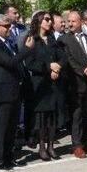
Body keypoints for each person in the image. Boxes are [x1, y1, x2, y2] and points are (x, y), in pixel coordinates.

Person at [0, 14, 35, 169]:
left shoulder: (8, 43)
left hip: (13, 90)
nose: (9, 28)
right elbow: (10, 62)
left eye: (9, 25)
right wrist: (26, 50)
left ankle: (8, 157)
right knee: (1, 127)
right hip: (2, 92)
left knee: (11, 127)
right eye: (5, 26)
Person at [21, 11, 63, 161]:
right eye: (46, 19)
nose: (49, 22)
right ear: (39, 21)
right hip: (39, 84)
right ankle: (42, 147)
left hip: (53, 83)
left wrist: (58, 67)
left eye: (50, 19)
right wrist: (48, 68)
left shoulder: (52, 39)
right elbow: (30, 63)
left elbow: (62, 56)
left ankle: (51, 146)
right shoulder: (32, 39)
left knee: (52, 118)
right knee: (42, 119)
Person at [58, 11, 87, 158]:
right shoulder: (64, 40)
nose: (69, 24)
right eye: (68, 21)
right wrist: (85, 72)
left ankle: (84, 141)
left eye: (73, 21)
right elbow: (69, 61)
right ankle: (76, 145)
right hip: (74, 83)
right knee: (76, 115)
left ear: (80, 21)